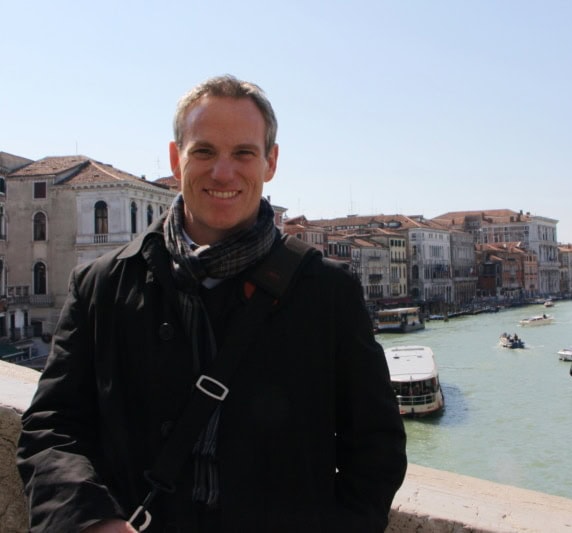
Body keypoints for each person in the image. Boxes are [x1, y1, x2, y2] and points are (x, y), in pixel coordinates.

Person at [17, 75, 407, 532]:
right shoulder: (102, 285)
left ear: (270, 162)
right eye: (204, 152)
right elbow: (51, 427)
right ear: (175, 157)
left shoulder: (328, 292)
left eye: (243, 153)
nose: (223, 172)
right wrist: (91, 521)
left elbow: (376, 445)